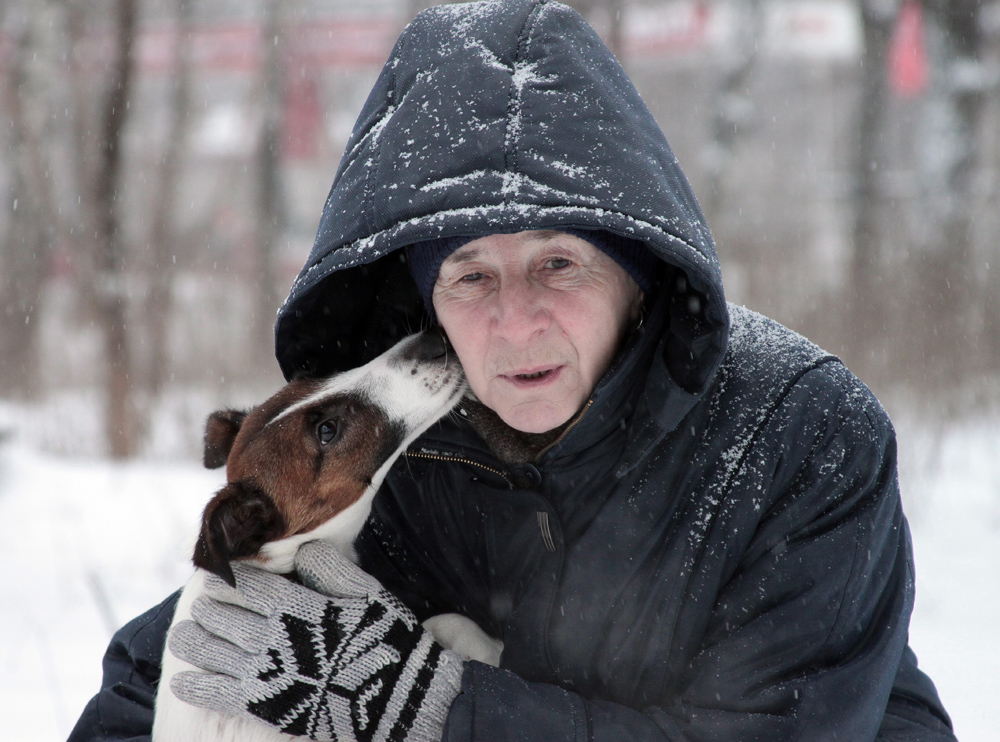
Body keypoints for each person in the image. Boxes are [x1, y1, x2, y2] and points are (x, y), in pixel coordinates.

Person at [69, 1, 958, 740]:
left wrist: (431, 708)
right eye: (471, 276)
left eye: (560, 264)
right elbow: (176, 667)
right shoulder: (405, 451)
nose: (514, 320)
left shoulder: (799, 437)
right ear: (426, 300)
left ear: (637, 269)